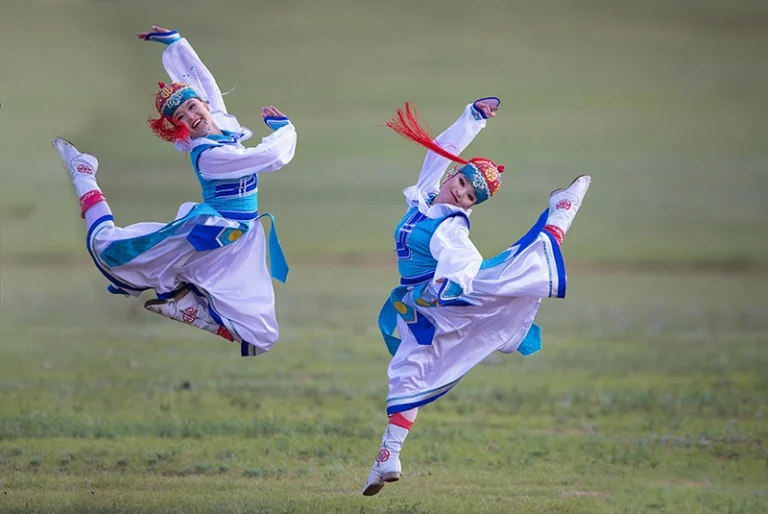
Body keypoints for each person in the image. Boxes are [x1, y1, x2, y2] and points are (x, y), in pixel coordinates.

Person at [362, 97, 591, 495]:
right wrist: (474, 116)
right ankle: (387, 458)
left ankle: (562, 212)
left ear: (473, 206)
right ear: (454, 174)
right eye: (462, 182)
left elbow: (463, 260)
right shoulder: (426, 194)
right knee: (407, 372)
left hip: (449, 299)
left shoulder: (452, 227)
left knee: (522, 271)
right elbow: (443, 147)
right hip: (421, 305)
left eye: (469, 195)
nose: (460, 192)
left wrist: (448, 288)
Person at [51, 25, 297, 357]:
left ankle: (185, 306)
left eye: (193, 108)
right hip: (209, 232)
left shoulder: (222, 124)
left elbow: (206, 85)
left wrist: (176, 44)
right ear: (178, 127)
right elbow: (268, 156)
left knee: (263, 336)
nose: (192, 117)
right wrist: (286, 129)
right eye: (181, 117)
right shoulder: (209, 155)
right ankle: (83, 173)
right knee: (108, 247)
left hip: (242, 240)